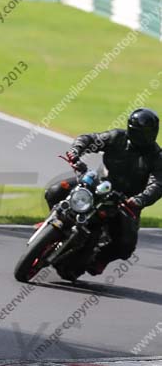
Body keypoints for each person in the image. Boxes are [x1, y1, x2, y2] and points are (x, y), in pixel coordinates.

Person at [45, 108, 162, 274]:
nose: (147, 136)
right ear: (131, 129)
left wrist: (140, 200)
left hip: (125, 202)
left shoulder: (157, 157)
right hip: (97, 185)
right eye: (142, 132)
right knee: (55, 191)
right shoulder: (117, 137)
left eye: (150, 131)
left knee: (126, 245)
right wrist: (76, 150)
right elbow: (91, 139)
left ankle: (100, 258)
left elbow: (158, 184)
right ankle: (51, 222)